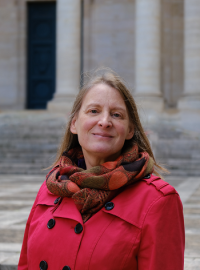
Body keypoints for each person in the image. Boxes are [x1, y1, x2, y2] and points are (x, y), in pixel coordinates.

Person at [18, 69, 185, 270]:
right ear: (74, 124)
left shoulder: (158, 201)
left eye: (116, 114)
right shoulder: (51, 188)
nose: (104, 122)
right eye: (93, 111)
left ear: (130, 130)